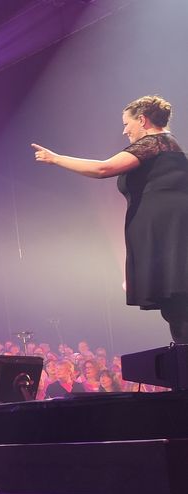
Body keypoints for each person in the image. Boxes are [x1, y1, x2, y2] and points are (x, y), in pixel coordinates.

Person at [33, 95, 188, 343]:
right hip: (163, 230)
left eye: (127, 124)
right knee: (176, 308)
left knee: (180, 306)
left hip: (167, 232)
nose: (125, 130)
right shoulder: (165, 145)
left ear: (142, 120)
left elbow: (103, 169)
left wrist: (55, 158)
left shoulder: (155, 143)